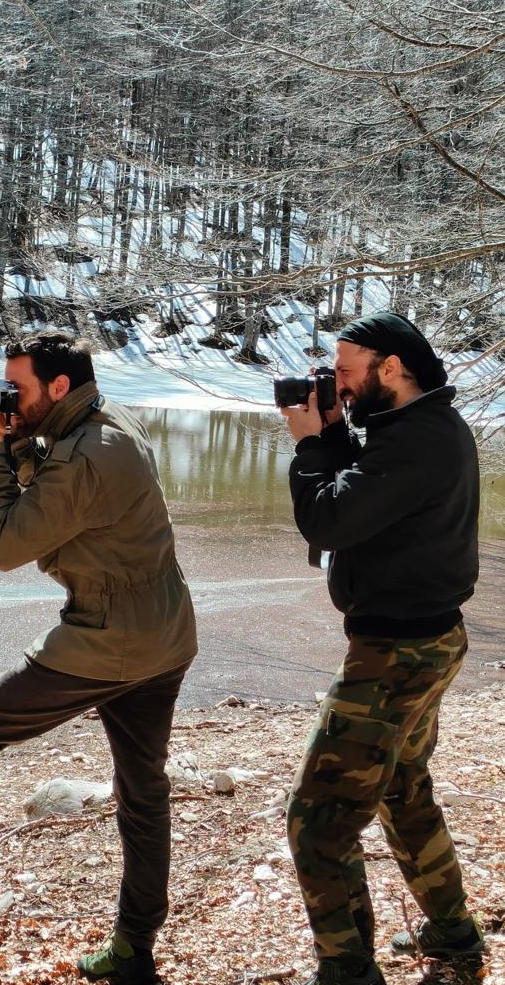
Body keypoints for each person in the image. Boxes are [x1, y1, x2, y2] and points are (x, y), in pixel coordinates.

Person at [0, 331, 197, 984]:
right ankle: (135, 948)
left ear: (57, 387)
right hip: (165, 630)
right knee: (143, 790)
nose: (4, 396)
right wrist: (17, 438)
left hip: (110, 639)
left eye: (16, 388)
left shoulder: (89, 454)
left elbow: (8, 542)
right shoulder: (108, 419)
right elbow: (61, 492)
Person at [280, 312, 483, 985]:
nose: (334, 381)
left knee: (317, 822)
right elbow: (361, 503)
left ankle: (347, 971)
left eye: (345, 371)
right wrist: (335, 433)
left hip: (395, 653)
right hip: (431, 638)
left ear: (389, 370)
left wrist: (309, 443)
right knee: (402, 786)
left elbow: (330, 516)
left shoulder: (415, 443)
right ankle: (453, 930)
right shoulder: (420, 428)